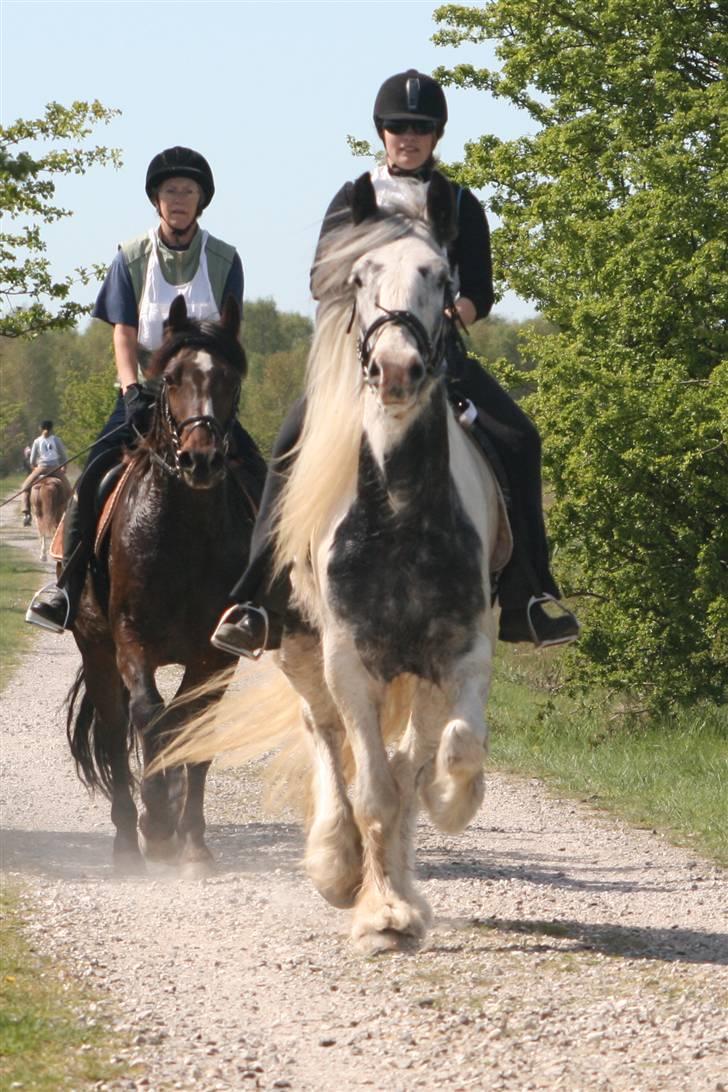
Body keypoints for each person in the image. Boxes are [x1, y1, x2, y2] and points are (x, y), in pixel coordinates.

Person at [211, 70, 580, 658]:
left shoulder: (458, 202)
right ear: (381, 132)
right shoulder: (355, 197)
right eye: (398, 127)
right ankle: (257, 598)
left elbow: (479, 292)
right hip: (358, 360)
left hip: (438, 357)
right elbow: (318, 279)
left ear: (437, 135)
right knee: (288, 446)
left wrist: (446, 313)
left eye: (421, 128)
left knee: (521, 439)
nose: (408, 137)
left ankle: (528, 597)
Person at [26, 146, 265, 633]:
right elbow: (123, 331)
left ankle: (260, 602)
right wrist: (131, 386)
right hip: (146, 390)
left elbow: (229, 333)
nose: (179, 199)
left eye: (188, 191)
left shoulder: (225, 259)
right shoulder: (130, 257)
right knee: (93, 473)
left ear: (201, 200)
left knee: (259, 477)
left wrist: (220, 391)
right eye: (170, 191)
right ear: (157, 199)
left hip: (204, 396)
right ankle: (66, 589)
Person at [20, 421, 69, 525]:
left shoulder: (37, 441)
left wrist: (35, 468)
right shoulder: (57, 440)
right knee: (69, 490)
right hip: (56, 468)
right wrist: (64, 467)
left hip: (41, 468)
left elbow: (32, 460)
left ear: (40, 428)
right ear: (52, 428)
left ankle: (26, 513)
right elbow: (64, 457)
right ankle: (69, 512)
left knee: (25, 487)